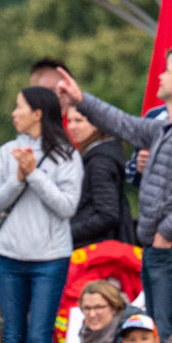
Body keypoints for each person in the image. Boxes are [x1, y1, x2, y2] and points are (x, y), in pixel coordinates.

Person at [55, 56, 172, 343]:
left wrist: (166, 233)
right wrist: (81, 99)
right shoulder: (168, 130)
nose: (160, 76)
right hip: (163, 248)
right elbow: (123, 124)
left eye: (168, 71)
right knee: (163, 332)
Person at [0, 84, 83, 343]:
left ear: (38, 113)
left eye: (20, 107)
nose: (14, 113)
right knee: (12, 338)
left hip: (51, 258)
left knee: (39, 338)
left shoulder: (67, 154)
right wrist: (18, 179)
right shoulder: (6, 152)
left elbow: (67, 206)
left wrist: (34, 175)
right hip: (10, 257)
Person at [62, 93, 134, 249]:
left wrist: (65, 233)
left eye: (79, 121)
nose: (72, 127)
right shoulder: (95, 155)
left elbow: (107, 215)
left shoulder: (100, 161)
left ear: (96, 123)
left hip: (96, 254)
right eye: (70, 121)